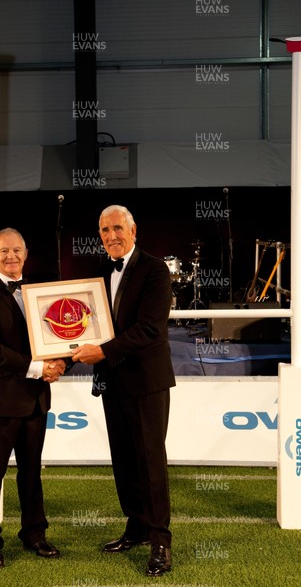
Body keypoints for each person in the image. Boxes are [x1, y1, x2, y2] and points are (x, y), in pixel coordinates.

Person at [71, 204, 176, 577]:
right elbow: (83, 330)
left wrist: (102, 351)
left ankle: (160, 541)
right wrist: (58, 360)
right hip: (112, 381)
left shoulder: (154, 269)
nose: (111, 236)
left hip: (147, 382)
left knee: (150, 461)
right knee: (124, 460)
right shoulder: (99, 273)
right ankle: (136, 527)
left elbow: (151, 329)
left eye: (117, 228)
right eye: (104, 231)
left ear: (133, 230)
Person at [0, 227, 67, 569]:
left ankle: (34, 533)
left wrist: (61, 361)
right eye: (4, 251)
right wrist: (39, 369)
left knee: (31, 472)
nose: (11, 256)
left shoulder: (39, 292)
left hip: (35, 400)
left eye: (17, 250)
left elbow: (58, 336)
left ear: (26, 254)